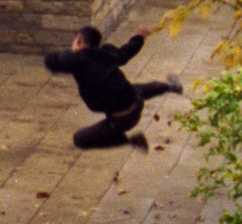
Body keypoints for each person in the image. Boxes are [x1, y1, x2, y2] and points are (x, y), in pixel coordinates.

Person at [44, 25, 184, 150]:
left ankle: (130, 141)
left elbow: (51, 62)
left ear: (79, 40)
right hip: (134, 101)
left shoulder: (78, 61)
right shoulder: (106, 53)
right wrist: (139, 37)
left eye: (74, 41)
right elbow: (126, 52)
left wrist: (68, 54)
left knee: (80, 139)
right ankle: (170, 87)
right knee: (132, 89)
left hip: (122, 120)